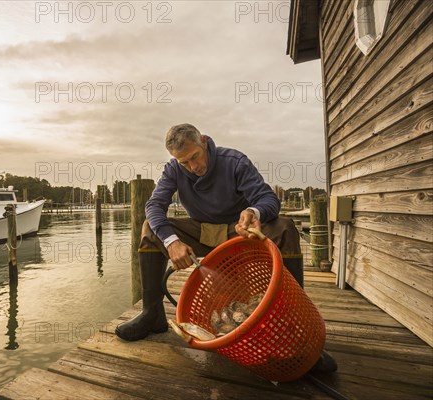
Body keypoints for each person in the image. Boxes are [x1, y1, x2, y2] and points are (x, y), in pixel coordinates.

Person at [115, 123, 337, 373]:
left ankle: (296, 329)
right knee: (149, 230)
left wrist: (254, 211)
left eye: (195, 157)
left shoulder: (235, 161)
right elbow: (154, 206)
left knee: (284, 227)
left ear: (203, 141)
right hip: (201, 230)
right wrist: (172, 241)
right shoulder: (173, 169)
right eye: (184, 162)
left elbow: (268, 199)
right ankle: (152, 314)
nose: (192, 167)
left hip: (238, 230)